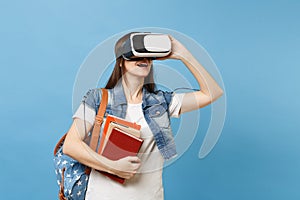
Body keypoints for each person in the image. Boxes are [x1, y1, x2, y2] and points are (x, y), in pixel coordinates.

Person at [62, 32, 223, 200]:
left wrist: (184, 55)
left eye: (147, 56)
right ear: (121, 63)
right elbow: (70, 145)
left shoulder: (161, 102)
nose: (143, 58)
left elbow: (213, 93)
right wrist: (113, 167)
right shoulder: (98, 99)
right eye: (135, 55)